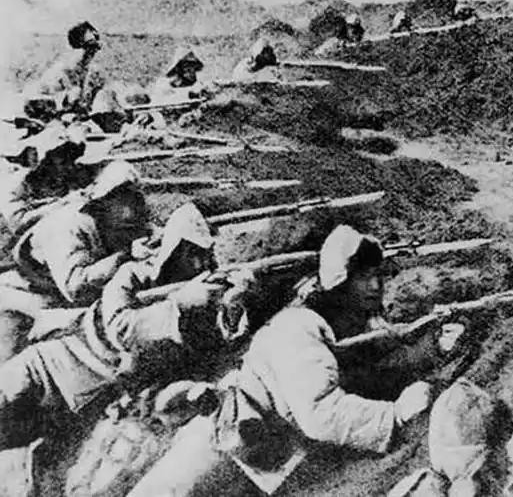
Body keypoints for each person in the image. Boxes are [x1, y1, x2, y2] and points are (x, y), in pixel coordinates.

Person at [127, 224, 434, 496]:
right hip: (221, 452)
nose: (376, 286)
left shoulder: (342, 324)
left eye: (379, 276)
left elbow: (366, 364)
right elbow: (320, 416)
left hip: (259, 457)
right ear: (339, 284)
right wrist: (393, 416)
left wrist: (430, 350)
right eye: (364, 278)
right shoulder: (297, 327)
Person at [0, 202, 244, 454]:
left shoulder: (202, 302)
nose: (202, 264)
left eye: (206, 256)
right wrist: (179, 305)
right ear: (176, 249)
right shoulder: (133, 275)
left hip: (82, 404)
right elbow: (121, 328)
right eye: (193, 254)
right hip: (49, 370)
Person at [0, 162, 148, 362]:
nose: (130, 208)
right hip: (25, 297)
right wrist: (125, 256)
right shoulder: (68, 225)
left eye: (134, 197)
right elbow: (75, 288)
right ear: (103, 200)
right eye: (122, 197)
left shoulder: (122, 220)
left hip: (60, 298)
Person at [0, 121, 93, 235]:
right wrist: (61, 203)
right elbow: (18, 223)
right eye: (61, 160)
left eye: (68, 158)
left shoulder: (66, 173)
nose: (69, 166)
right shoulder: (15, 184)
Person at [22, 21, 103, 122]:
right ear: (78, 46)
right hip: (40, 104)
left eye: (97, 45)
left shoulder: (83, 65)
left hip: (54, 104)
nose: (94, 51)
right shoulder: (71, 64)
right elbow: (74, 95)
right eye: (90, 46)